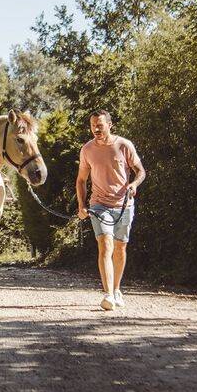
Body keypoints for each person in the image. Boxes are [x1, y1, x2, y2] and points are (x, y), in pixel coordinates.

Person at [76, 109, 146, 311]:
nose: (96, 129)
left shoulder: (124, 145)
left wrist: (134, 184)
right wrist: (82, 205)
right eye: (92, 126)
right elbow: (81, 180)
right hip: (99, 205)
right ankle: (107, 294)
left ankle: (116, 289)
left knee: (120, 248)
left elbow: (140, 171)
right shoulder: (87, 149)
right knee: (105, 245)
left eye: (99, 125)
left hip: (124, 204)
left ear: (109, 125)